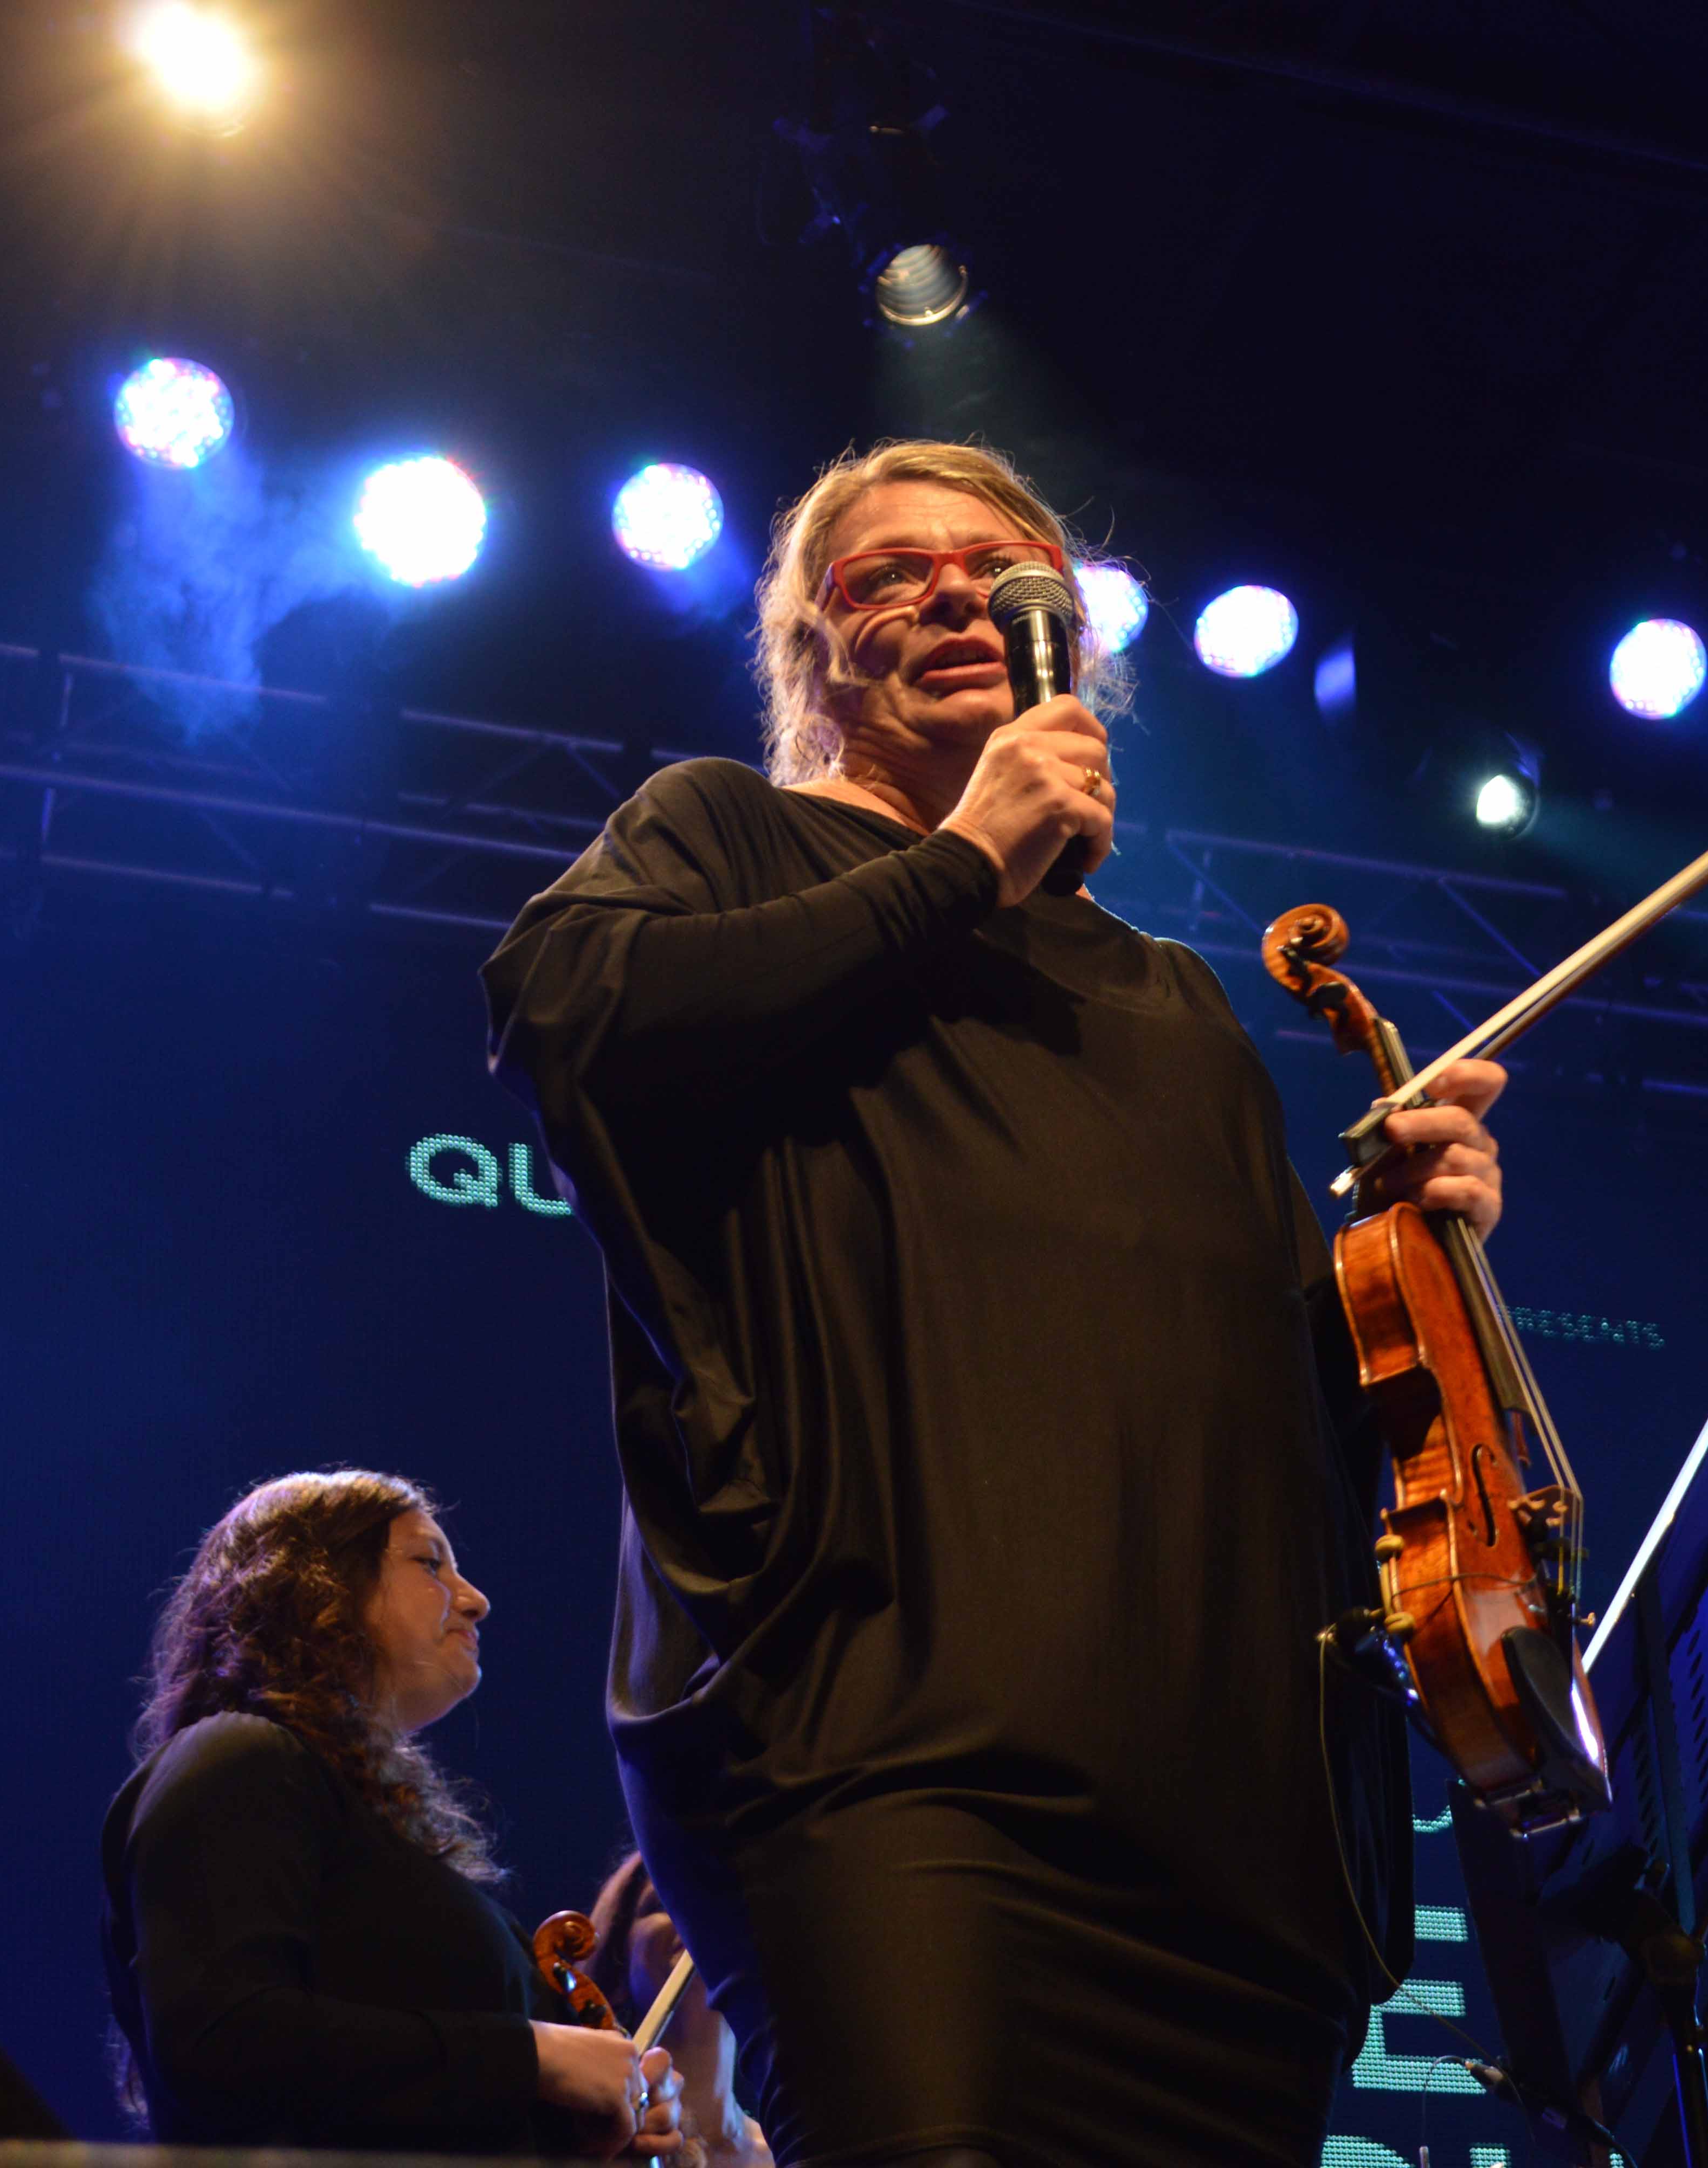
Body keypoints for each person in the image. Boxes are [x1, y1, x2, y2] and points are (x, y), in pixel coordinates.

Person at [481, 438, 1511, 2166]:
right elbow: (572, 1013)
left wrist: (1414, 1247)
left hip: (1231, 1842)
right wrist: (968, 857)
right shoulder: (727, 836)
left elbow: (1286, 1412)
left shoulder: (1176, 1010)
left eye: (1003, 564)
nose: (961, 590)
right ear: (811, 650)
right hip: (895, 1762)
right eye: (893, 572)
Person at [102, 1469, 685, 2157]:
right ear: (319, 1583)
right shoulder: (236, 1756)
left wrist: (601, 2107)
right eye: (429, 1562)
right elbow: (221, 2040)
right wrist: (536, 2056)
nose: (476, 1600)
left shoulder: (373, 1838)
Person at [585, 1853, 772, 2168]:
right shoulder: (594, 2147)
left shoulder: (793, 2154)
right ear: (618, 1970)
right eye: (661, 1905)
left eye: (709, 1902)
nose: (695, 1917)